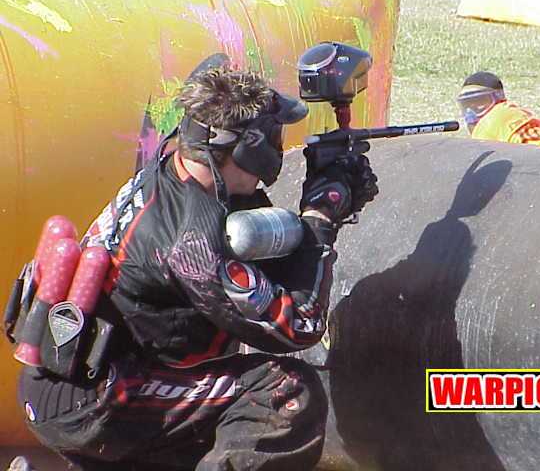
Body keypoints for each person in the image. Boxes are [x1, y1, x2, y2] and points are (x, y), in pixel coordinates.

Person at [14, 64, 378, 470]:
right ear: (250, 146)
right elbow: (298, 326)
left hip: (74, 382)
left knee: (207, 402)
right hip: (100, 397)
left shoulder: (173, 169)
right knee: (286, 392)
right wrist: (321, 218)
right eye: (275, 138)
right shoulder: (190, 241)